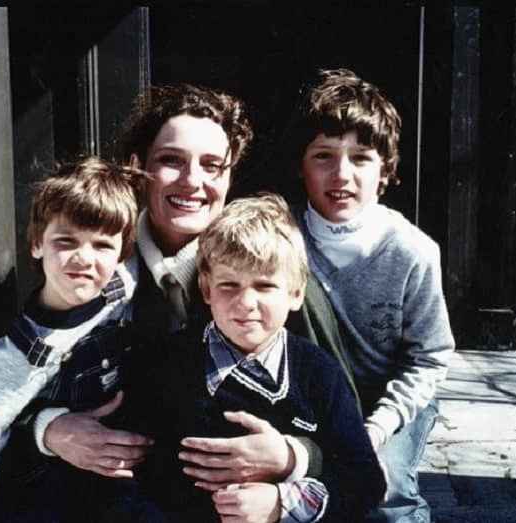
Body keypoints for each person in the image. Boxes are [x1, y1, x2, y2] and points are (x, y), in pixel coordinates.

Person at [33, 84, 355, 519]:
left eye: (212, 166)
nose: (192, 181)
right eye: (171, 160)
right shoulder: (90, 267)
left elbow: (345, 438)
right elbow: (8, 384)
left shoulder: (277, 282)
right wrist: (49, 430)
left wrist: (293, 455)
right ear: (138, 167)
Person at [120, 193, 387, 522]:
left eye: (264, 286)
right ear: (206, 289)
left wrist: (283, 502)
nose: (246, 303)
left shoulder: (318, 373)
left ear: (296, 293)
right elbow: (132, 474)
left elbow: (366, 483)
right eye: (229, 285)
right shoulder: (165, 366)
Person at [288, 69, 455, 522]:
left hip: (388, 400)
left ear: (386, 169)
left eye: (361, 158)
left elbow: (428, 357)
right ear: (301, 165)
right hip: (311, 397)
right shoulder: (281, 237)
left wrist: (378, 428)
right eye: (323, 156)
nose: (341, 174)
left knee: (386, 491)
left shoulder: (412, 251)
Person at [0, 158, 140, 521]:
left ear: (121, 254)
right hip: (56, 492)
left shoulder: (121, 288)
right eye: (66, 241)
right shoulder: (16, 356)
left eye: (102, 246)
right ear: (37, 243)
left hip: (125, 475)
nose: (84, 258)